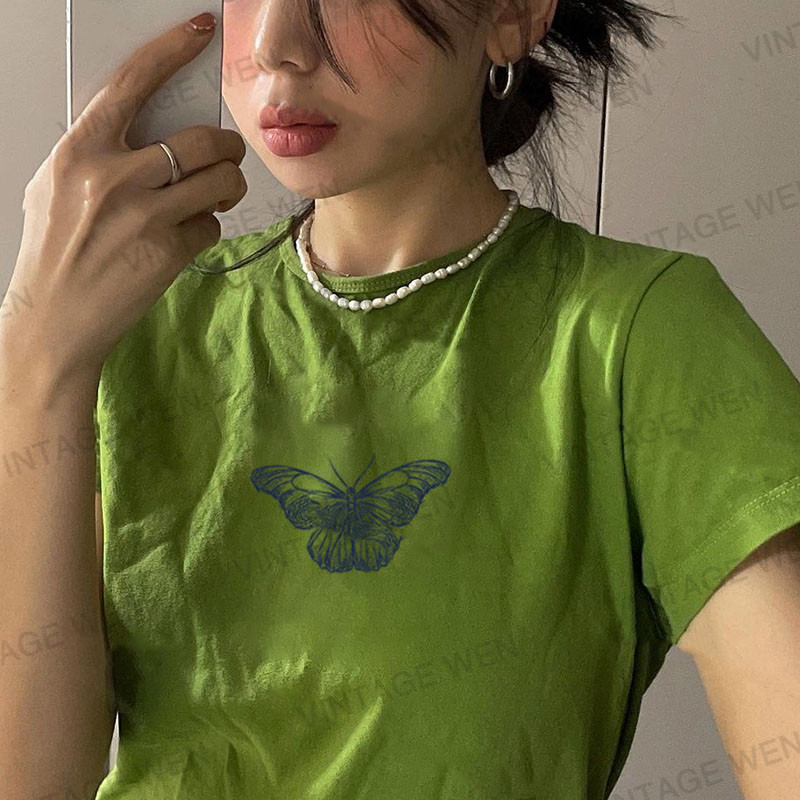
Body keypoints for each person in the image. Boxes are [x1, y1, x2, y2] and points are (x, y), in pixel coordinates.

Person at [3, 2, 799, 799]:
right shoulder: (134, 319)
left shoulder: (638, 333)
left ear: (512, 14)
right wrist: (35, 358)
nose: (274, 47)